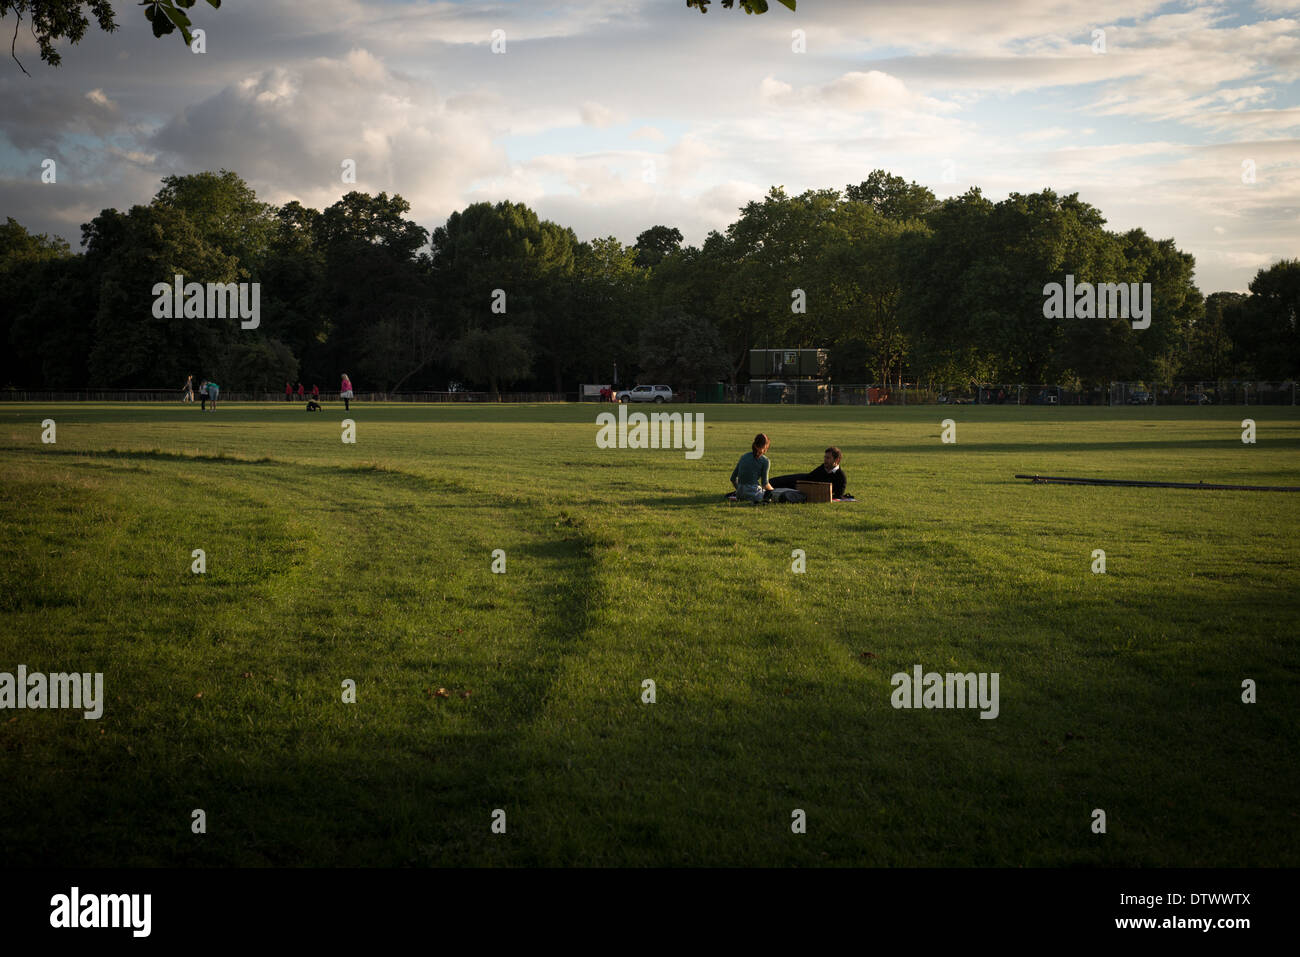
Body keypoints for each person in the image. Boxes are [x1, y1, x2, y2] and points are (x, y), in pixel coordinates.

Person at [770, 447, 848, 499]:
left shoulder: (841, 477)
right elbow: (810, 477)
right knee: (776, 481)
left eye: (828, 458)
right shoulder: (823, 468)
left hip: (806, 489)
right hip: (803, 481)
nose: (825, 460)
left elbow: (838, 495)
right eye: (825, 457)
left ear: (837, 460)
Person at [729, 433, 773, 504]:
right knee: (773, 497)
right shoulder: (765, 461)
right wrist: (773, 491)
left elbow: (732, 478)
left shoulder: (743, 457)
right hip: (754, 493)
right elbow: (765, 484)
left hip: (739, 493)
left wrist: (740, 490)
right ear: (766, 447)